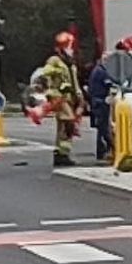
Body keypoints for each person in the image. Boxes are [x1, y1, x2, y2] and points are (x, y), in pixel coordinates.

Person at [41, 31, 84, 167]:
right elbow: (46, 73)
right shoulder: (55, 60)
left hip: (70, 97)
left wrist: (79, 96)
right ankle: (62, 154)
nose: (71, 48)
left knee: (65, 126)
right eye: (69, 45)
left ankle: (61, 153)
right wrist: (58, 75)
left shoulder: (70, 61)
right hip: (60, 98)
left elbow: (74, 80)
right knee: (68, 124)